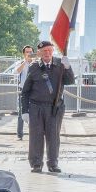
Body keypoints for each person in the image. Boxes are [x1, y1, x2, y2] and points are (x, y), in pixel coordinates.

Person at [20, 41, 74, 173]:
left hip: (54, 108)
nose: (47, 53)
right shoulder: (33, 67)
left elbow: (70, 81)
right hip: (36, 107)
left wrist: (68, 67)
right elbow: (25, 91)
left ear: (53, 51)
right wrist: (24, 111)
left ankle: (53, 163)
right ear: (39, 53)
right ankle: (36, 163)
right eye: (44, 51)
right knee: (36, 137)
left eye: (49, 50)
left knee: (53, 136)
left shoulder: (60, 65)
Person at [15, 45, 34, 140]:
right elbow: (17, 71)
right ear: (24, 53)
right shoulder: (21, 63)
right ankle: (19, 134)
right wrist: (25, 62)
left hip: (34, 91)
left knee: (34, 113)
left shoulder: (36, 63)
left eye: (30, 52)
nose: (29, 53)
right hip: (22, 91)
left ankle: (34, 133)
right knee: (21, 113)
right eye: (27, 52)